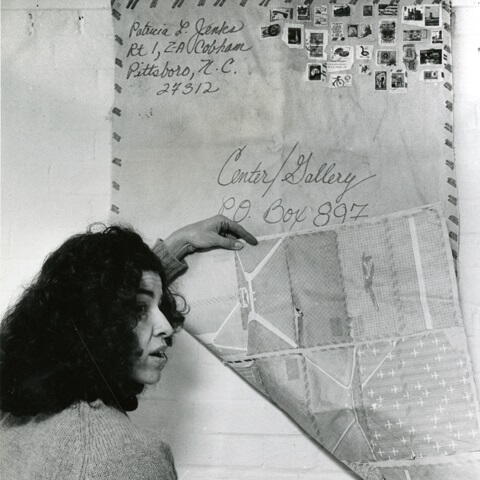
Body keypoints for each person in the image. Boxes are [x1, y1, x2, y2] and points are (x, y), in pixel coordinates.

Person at [0, 215, 257, 480]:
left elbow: (58, 314)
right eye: (139, 309)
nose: (167, 327)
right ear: (95, 320)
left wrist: (173, 249)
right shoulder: (128, 458)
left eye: (159, 306)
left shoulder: (14, 414)